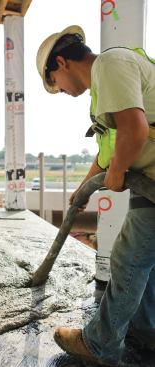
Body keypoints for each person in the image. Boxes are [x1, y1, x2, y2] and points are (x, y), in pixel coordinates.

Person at [36, 25, 155, 366]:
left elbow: (135, 130)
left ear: (62, 62)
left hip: (150, 181)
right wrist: (82, 191)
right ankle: (146, 330)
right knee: (145, 260)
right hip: (150, 183)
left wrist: (117, 173)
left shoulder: (110, 64)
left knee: (128, 258)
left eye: (55, 83)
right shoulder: (106, 93)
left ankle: (100, 343)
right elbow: (107, 154)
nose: (60, 91)